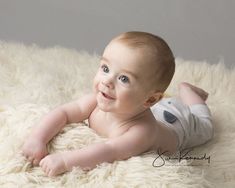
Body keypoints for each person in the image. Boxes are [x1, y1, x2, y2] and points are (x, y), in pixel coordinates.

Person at [22, 31, 213, 177]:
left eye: (123, 78)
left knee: (205, 124)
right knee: (165, 106)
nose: (107, 81)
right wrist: (37, 139)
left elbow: (109, 150)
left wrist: (65, 161)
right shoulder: (96, 101)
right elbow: (63, 112)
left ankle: (188, 91)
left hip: (180, 123)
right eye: (105, 68)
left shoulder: (142, 132)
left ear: (150, 99)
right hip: (157, 108)